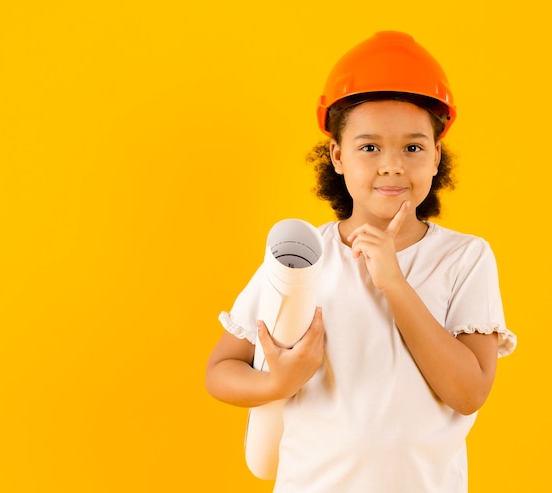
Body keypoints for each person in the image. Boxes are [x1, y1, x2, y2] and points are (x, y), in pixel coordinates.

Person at [205, 31, 516, 492]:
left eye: (413, 148)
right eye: (369, 147)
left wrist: (393, 282)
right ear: (337, 156)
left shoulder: (464, 258)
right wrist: (276, 383)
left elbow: (469, 393)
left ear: (435, 158)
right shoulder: (304, 255)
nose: (392, 165)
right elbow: (220, 371)